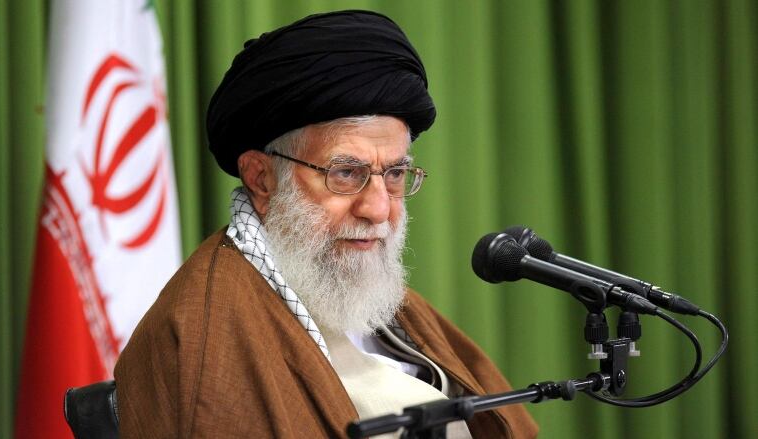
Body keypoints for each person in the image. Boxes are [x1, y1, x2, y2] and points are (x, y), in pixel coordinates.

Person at [115, 10, 538, 438]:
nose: (377, 209)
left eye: (394, 174)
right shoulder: (206, 333)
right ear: (262, 178)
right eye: (345, 173)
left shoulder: (365, 291)